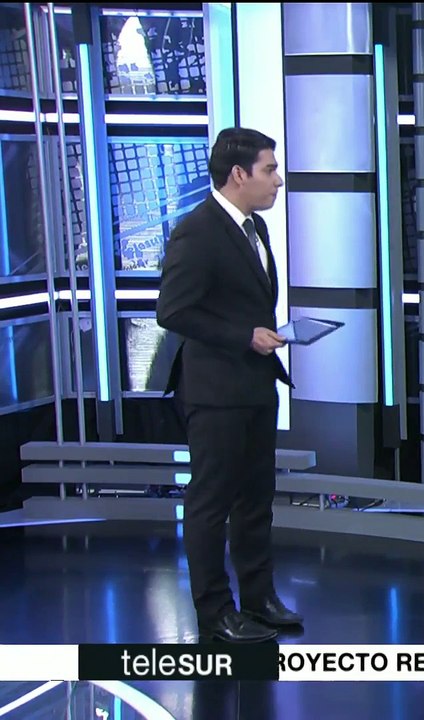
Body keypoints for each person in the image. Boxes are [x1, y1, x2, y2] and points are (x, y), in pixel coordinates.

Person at [156, 127, 300, 643]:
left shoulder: (253, 228)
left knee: (256, 499)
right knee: (211, 502)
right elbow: (172, 311)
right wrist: (244, 337)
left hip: (256, 388)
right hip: (215, 395)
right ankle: (215, 612)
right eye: (269, 170)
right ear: (238, 175)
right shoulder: (198, 230)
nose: (278, 180)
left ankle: (259, 598)